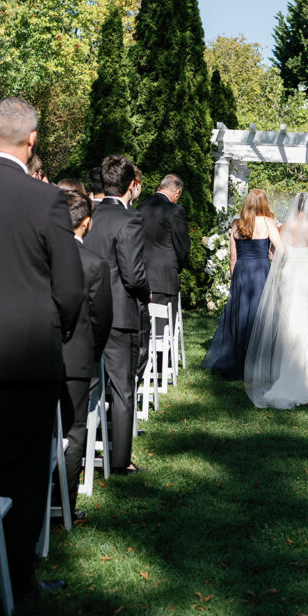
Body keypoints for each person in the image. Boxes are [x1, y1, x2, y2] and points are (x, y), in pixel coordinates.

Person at [0, 97, 84, 599]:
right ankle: (15, 580)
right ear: (33, 140)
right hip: (27, 359)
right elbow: (70, 288)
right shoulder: (45, 200)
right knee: (24, 469)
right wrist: (54, 330)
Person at [85, 154, 150, 475]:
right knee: (123, 389)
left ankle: (78, 448)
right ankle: (121, 459)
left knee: (87, 383)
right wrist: (146, 292)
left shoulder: (90, 215)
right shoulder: (130, 220)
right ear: (131, 185)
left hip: (87, 311)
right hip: (120, 315)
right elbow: (134, 274)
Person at [245, 192, 308, 409]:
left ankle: (286, 372)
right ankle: (306, 374)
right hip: (307, 276)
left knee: (288, 323)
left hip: (288, 276)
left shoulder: (282, 227)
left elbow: (273, 255)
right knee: (306, 324)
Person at [60, 191, 113, 517]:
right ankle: (64, 503)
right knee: (74, 430)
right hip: (78, 358)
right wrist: (92, 351)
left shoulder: (39, 256)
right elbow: (101, 318)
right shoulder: (94, 264)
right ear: (87, 222)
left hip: (36, 355)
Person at [202, 189, 282, 380]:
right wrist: (269, 254)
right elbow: (281, 249)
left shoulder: (236, 225)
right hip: (260, 270)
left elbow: (233, 256)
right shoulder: (268, 222)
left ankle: (236, 359)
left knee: (241, 313)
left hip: (242, 271)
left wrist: (234, 277)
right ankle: (257, 360)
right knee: (259, 313)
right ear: (264, 203)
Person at [138, 173, 191, 315]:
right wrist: (177, 266)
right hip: (164, 278)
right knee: (162, 331)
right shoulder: (175, 210)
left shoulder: (140, 207)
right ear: (178, 192)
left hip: (140, 275)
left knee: (144, 328)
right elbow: (183, 247)